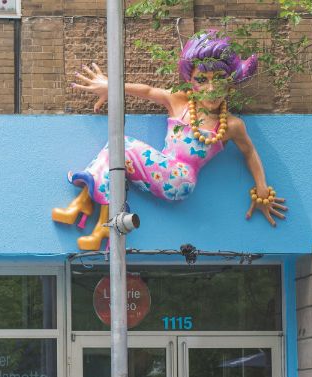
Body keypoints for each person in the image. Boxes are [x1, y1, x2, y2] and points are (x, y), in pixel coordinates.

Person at [53, 31, 288, 250]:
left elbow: (249, 152)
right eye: (202, 79)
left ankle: (87, 206)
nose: (211, 88)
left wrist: (262, 189)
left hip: (181, 180)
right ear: (191, 81)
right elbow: (147, 91)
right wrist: (110, 88)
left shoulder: (231, 125)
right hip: (164, 170)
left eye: (219, 80)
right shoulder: (180, 102)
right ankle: (95, 217)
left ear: (230, 84)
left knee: (121, 145)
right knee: (116, 154)